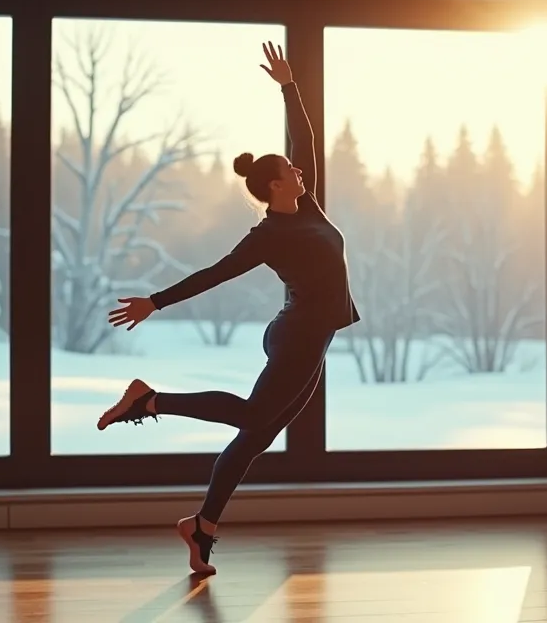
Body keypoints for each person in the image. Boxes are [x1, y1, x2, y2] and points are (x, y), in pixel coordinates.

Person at [98, 42, 360, 575]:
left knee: (256, 436)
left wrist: (289, 87)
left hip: (308, 335)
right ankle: (149, 400)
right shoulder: (267, 236)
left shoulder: (307, 204)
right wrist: (154, 302)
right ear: (274, 185)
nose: (300, 170)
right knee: (253, 418)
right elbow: (213, 274)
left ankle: (202, 528)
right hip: (297, 336)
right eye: (290, 170)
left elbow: (305, 140)